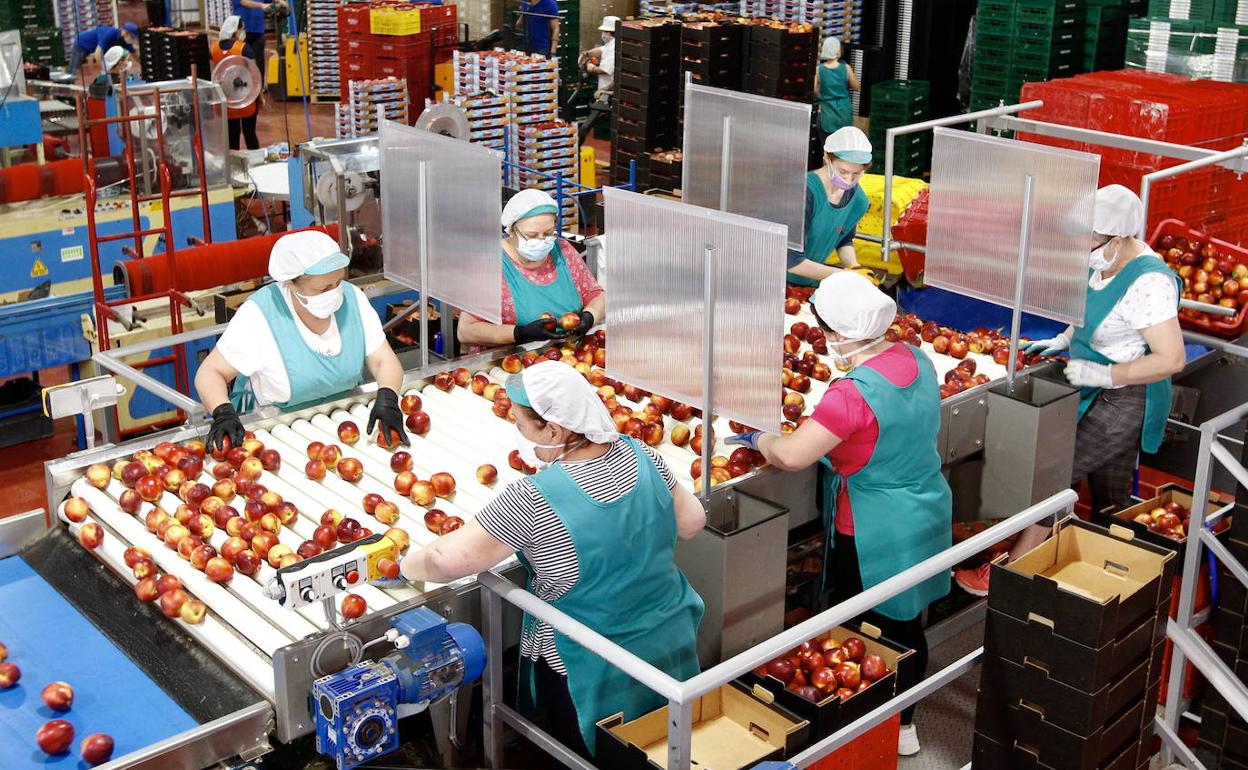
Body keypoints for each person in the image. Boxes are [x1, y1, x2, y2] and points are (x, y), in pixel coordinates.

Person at [399, 361, 705, 757]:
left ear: (554, 430)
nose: (520, 435)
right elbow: (693, 521)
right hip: (667, 641)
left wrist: (405, 566)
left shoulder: (536, 497)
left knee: (596, 756)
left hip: (591, 667)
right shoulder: (640, 452)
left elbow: (446, 560)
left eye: (523, 426)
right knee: (663, 747)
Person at [728, 272, 951, 757]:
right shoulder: (915, 357)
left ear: (836, 333)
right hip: (926, 504)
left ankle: (877, 727)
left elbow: (791, 457)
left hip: (875, 526)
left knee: (872, 628)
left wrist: (758, 438)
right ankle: (905, 720)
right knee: (907, 621)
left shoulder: (851, 393)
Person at [955, 185, 1185, 596]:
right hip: (1092, 385)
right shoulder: (1104, 262)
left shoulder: (1150, 283)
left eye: (1090, 242)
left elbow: (1171, 359)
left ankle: (1011, 573)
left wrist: (1108, 375)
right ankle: (1106, 572)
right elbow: (1092, 308)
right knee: (1110, 493)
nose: (1083, 251)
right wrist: (1063, 338)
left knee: (1055, 475)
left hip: (1124, 396)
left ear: (1118, 239)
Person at [196, 230, 408, 451]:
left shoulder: (352, 298)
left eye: (338, 282)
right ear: (292, 284)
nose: (335, 292)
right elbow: (210, 372)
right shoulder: (261, 313)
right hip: (273, 430)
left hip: (343, 421)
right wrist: (222, 411)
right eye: (323, 288)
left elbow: (384, 359)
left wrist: (388, 396)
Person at [457, 189, 606, 347]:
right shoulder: (491, 266)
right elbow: (466, 331)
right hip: (514, 359)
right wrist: (519, 333)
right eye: (532, 235)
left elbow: (596, 295)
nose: (541, 240)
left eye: (548, 233)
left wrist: (590, 316)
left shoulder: (562, 251)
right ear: (512, 230)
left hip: (568, 353)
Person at [787, 127, 872, 286]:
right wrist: (847, 275)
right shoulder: (803, 193)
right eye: (843, 171)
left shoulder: (857, 199)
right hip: (777, 282)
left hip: (813, 283)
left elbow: (843, 239)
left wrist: (855, 267)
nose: (848, 180)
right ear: (827, 158)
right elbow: (791, 261)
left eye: (857, 174)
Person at [212, 16, 260, 151]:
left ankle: (233, 166)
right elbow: (255, 75)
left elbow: (213, 75)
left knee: (232, 137)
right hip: (246, 98)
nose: (243, 32)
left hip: (227, 100)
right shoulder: (244, 48)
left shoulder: (214, 49)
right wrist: (260, 97)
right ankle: (255, 164)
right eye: (242, 29)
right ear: (235, 30)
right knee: (250, 134)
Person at [815, 37, 859, 145]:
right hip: (844, 111)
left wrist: (822, 97)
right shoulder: (846, 68)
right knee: (843, 145)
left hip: (827, 111)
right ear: (838, 51)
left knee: (827, 147)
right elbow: (856, 87)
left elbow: (814, 90)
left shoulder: (819, 69)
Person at [232, 0, 287, 73]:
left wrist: (282, 3)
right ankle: (242, 81)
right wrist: (262, 5)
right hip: (241, 30)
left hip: (258, 30)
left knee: (259, 61)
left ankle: (260, 82)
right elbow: (244, 2)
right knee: (242, 60)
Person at [71, 23, 139, 76]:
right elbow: (97, 55)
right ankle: (65, 89)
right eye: (132, 37)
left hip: (93, 48)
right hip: (81, 44)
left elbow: (135, 55)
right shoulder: (109, 34)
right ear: (126, 32)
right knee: (73, 70)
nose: (132, 39)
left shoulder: (124, 41)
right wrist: (106, 71)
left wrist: (146, 67)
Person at [580, 16, 617, 99]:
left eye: (604, 31)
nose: (603, 34)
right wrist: (586, 54)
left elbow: (604, 70)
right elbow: (600, 50)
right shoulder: (611, 44)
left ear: (609, 32)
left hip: (607, 90)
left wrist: (591, 68)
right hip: (604, 88)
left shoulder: (615, 47)